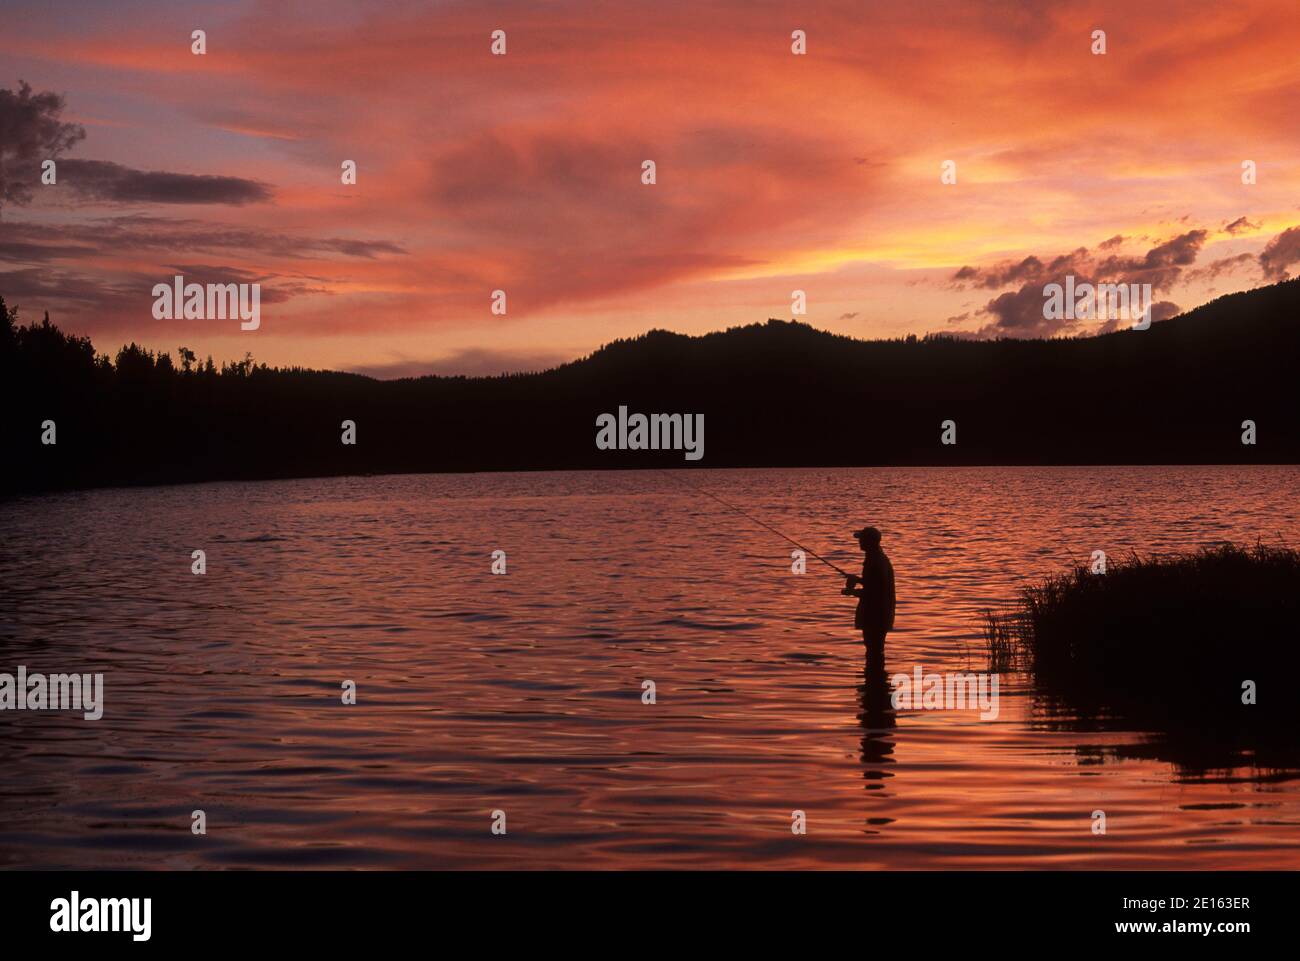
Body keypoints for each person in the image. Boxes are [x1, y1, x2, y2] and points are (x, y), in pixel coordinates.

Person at [842, 526, 895, 661]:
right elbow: (873, 583)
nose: (859, 542)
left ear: (869, 542)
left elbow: (876, 592)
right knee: (873, 649)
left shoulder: (877, 561)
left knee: (874, 650)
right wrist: (858, 580)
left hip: (876, 615)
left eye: (862, 539)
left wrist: (852, 592)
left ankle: (874, 679)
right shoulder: (876, 557)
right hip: (878, 613)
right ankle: (875, 678)